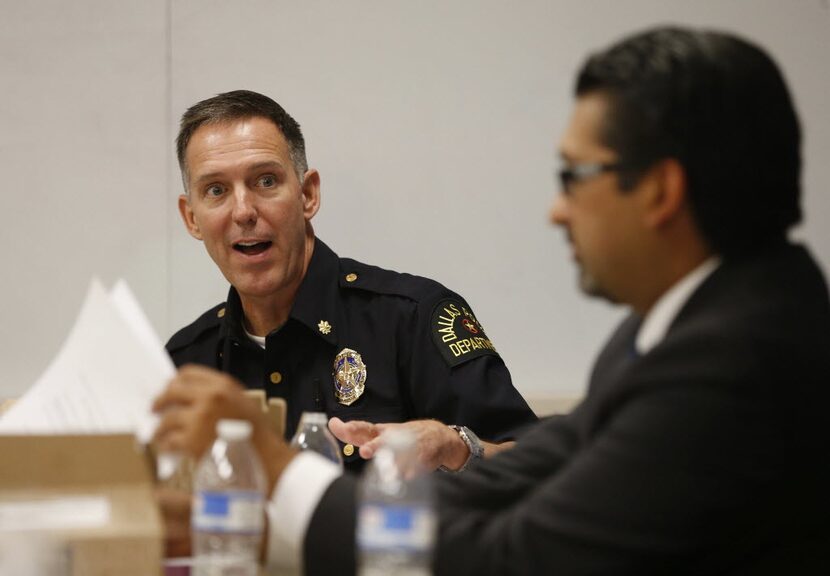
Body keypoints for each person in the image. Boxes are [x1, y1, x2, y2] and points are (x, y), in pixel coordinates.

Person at [154, 27, 830, 574]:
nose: (557, 211)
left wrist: (278, 478)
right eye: (216, 192)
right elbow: (525, 475)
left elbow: (516, 555)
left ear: (660, 190)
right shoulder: (670, 335)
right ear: (191, 215)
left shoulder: (736, 362)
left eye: (575, 176)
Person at [166, 89, 536, 475]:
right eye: (216, 190)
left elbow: (538, 469)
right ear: (192, 217)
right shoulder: (184, 364)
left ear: (308, 195)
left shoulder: (413, 318)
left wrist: (456, 447)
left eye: (265, 181)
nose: (243, 211)